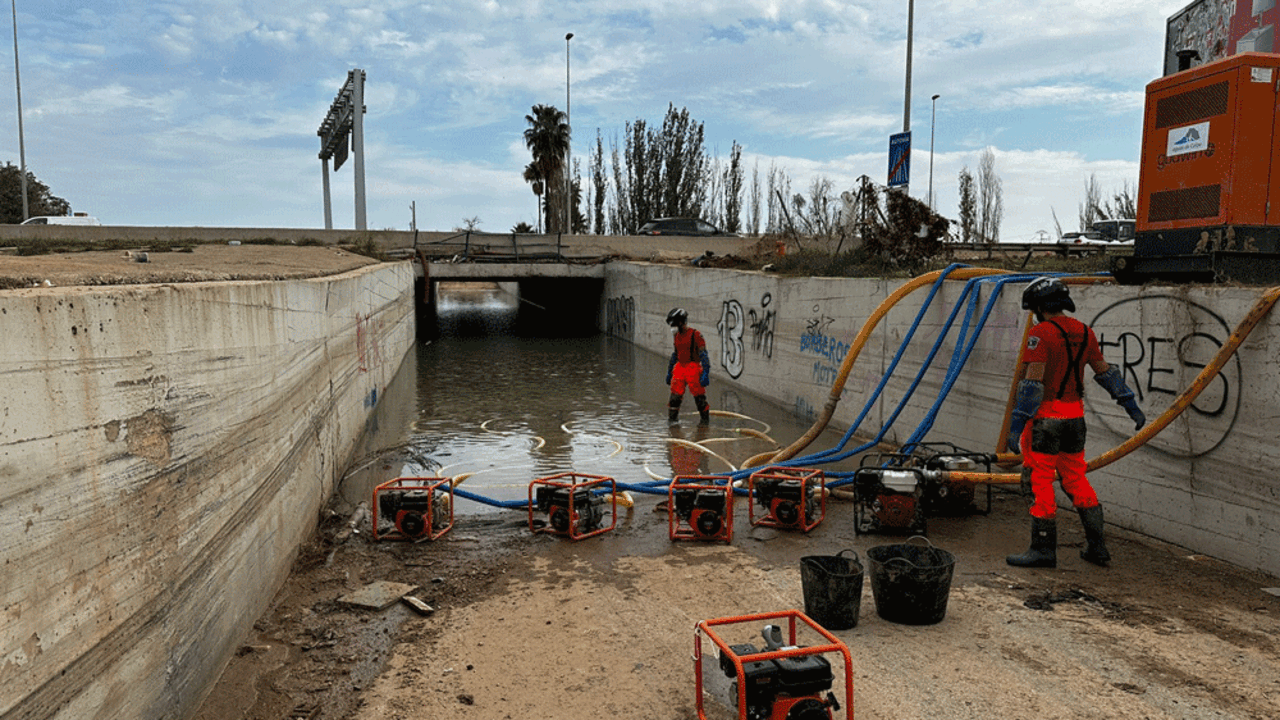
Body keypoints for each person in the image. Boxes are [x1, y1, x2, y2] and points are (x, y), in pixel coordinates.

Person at [1005, 277, 1146, 568]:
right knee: (1076, 478)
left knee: (1039, 481)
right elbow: (1106, 373)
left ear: (1040, 306)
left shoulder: (1041, 334)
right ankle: (1097, 546)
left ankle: (1043, 549)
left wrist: (1016, 426)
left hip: (1046, 420)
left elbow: (1033, 383)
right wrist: (1130, 406)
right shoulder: (1085, 332)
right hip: (1075, 419)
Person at [665, 308, 712, 425]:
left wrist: (706, 372)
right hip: (680, 367)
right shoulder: (676, 336)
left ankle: (704, 423)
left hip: (693, 368)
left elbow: (703, 355)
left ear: (681, 322)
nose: (672, 327)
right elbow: (675, 354)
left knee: (699, 398)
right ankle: (672, 422)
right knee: (674, 398)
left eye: (674, 324)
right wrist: (670, 371)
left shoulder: (695, 335)